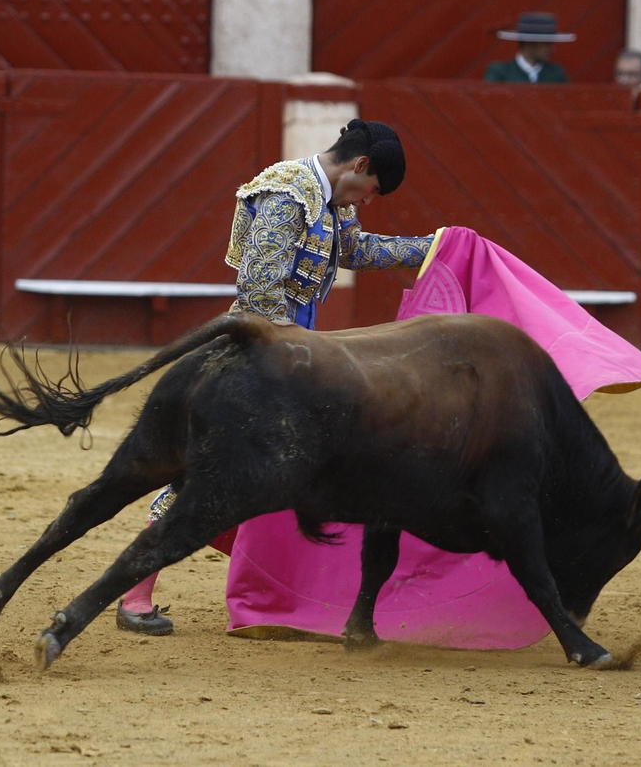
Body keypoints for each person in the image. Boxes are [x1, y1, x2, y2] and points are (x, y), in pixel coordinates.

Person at [115, 118, 436, 635]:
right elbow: (260, 287)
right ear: (359, 165)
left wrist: (434, 248)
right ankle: (134, 597)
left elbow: (354, 252)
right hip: (257, 359)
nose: (368, 201)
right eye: (373, 189)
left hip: (292, 359)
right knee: (205, 477)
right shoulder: (289, 193)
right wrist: (294, 360)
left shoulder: (332, 202)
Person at [483, 11, 574, 84]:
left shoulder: (556, 73)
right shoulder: (500, 72)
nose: (552, 49)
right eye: (546, 43)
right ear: (529, 43)